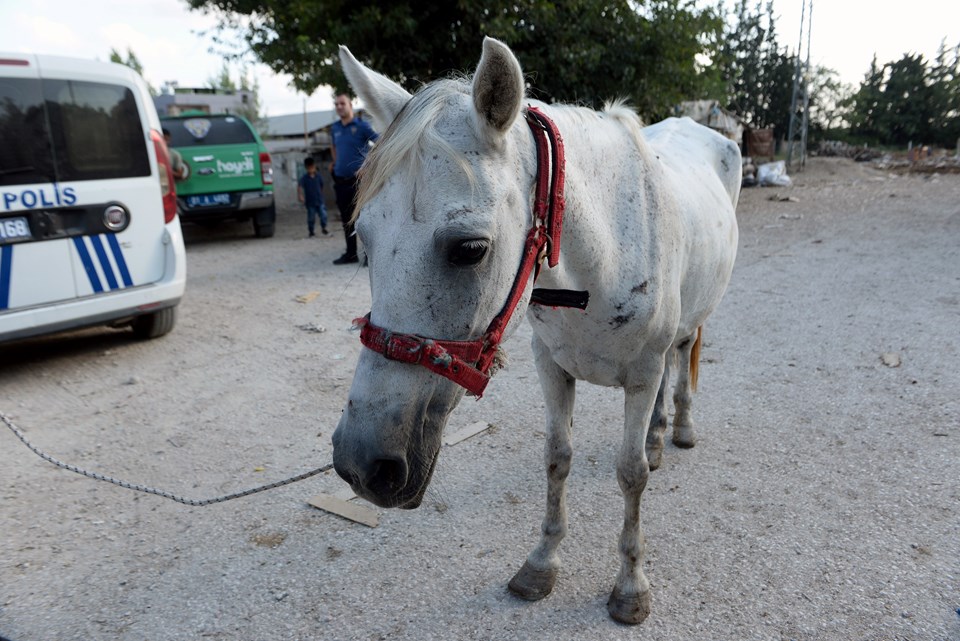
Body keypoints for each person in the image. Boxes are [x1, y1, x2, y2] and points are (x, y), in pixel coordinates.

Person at [329, 93, 378, 264]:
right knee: (346, 219)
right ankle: (350, 254)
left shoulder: (362, 126)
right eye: (336, 104)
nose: (339, 106)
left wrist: (366, 166)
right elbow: (333, 146)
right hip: (340, 180)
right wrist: (334, 163)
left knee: (364, 218)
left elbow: (380, 143)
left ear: (350, 105)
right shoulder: (334, 128)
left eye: (342, 103)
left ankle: (368, 256)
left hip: (359, 182)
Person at [297, 156, 329, 237]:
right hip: (310, 202)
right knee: (311, 218)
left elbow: (322, 186)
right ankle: (311, 231)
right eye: (309, 168)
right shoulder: (304, 178)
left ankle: (324, 228)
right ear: (306, 168)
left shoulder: (319, 176)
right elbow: (299, 186)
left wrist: (321, 194)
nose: (311, 169)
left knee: (323, 215)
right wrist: (300, 195)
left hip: (320, 200)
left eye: (312, 167)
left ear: (314, 166)